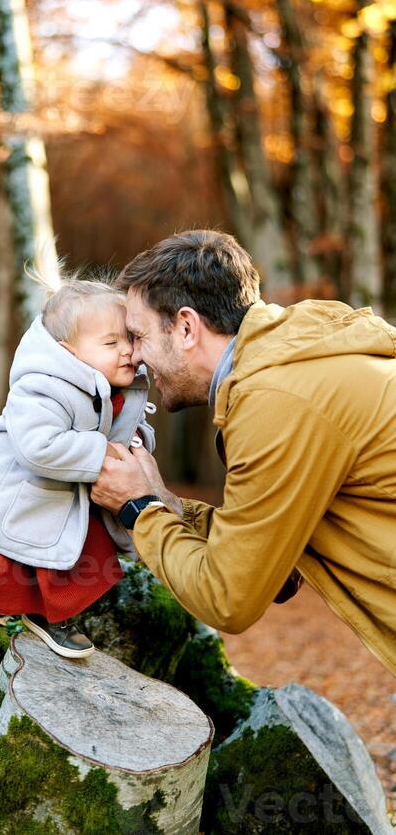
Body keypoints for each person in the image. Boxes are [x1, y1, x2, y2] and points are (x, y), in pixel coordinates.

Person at [90, 230, 396, 678]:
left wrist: (139, 509)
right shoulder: (292, 367)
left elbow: (230, 598)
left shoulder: (277, 401)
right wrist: (169, 505)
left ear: (187, 327)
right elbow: (269, 559)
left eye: (138, 336)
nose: (133, 357)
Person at [0, 277, 155, 742]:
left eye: (130, 339)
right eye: (110, 342)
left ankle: (43, 614)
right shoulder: (42, 386)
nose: (126, 351)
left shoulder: (113, 387)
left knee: (71, 562)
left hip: (52, 513)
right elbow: (39, 448)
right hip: (1, 514)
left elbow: (121, 435)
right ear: (68, 351)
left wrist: (134, 444)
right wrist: (103, 451)